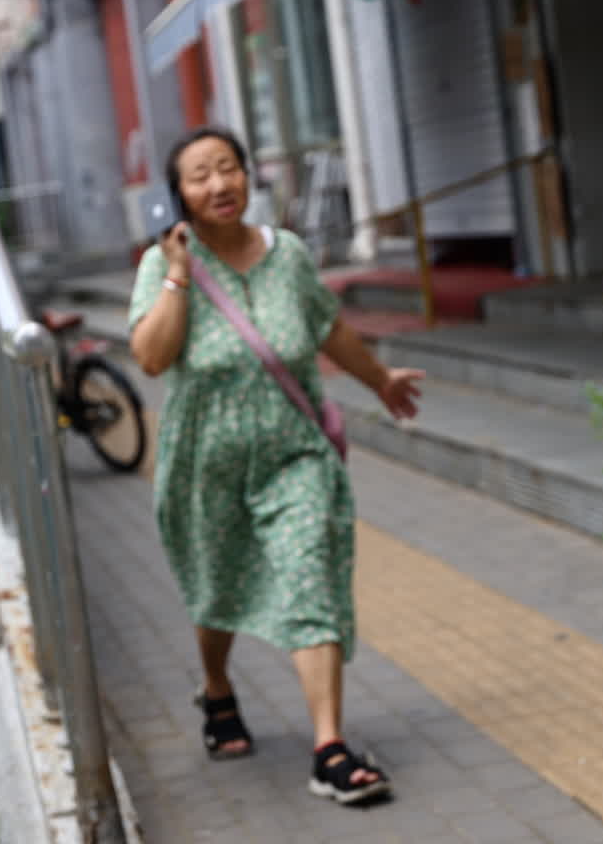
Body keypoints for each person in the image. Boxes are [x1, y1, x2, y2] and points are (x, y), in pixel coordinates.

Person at [128, 127, 423, 805]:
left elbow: (325, 327)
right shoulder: (162, 264)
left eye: (227, 168)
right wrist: (175, 271)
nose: (218, 184)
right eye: (200, 175)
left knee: (309, 573)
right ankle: (219, 689)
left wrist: (379, 379)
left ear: (246, 177)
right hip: (207, 459)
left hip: (294, 451)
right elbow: (150, 357)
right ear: (179, 194)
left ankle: (329, 748)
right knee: (216, 586)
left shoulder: (286, 254)